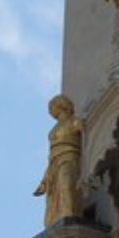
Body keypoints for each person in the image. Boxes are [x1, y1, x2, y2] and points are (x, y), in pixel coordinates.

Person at [34, 94, 84, 227]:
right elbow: (51, 156)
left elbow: (87, 137)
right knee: (54, 194)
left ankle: (69, 213)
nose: (51, 111)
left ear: (61, 106)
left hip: (69, 157)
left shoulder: (74, 122)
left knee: (66, 183)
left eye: (52, 107)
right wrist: (43, 181)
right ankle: (58, 219)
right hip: (54, 161)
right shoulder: (54, 129)